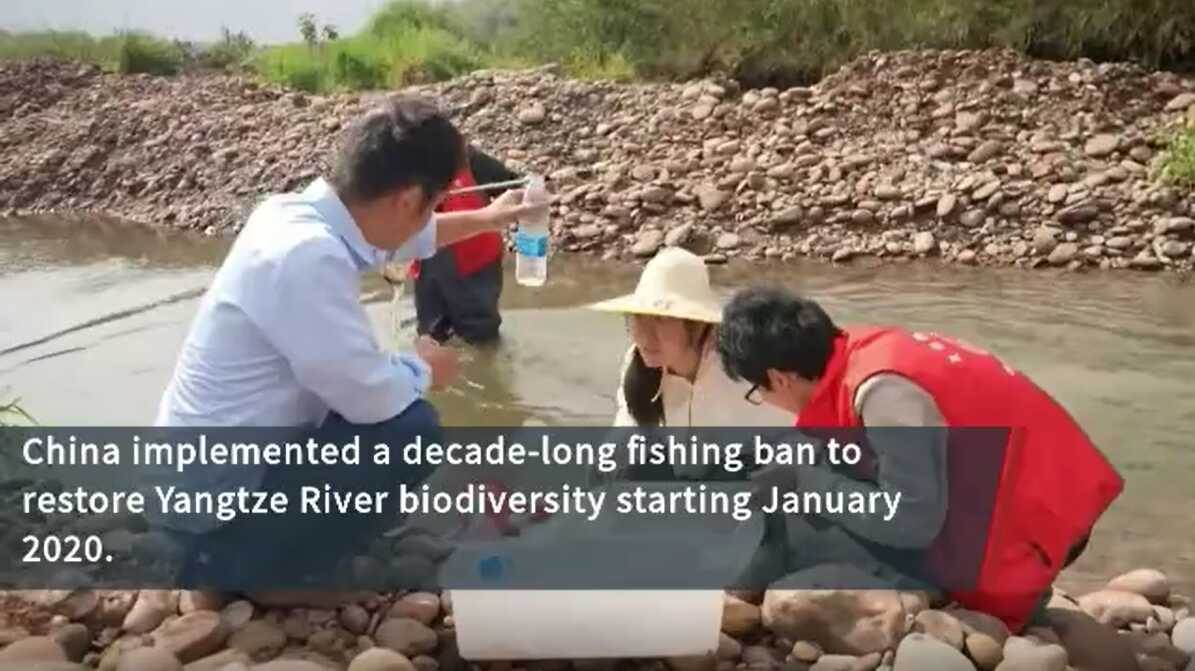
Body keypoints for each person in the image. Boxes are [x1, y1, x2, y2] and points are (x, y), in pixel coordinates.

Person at [151, 94, 545, 591]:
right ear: (407, 199)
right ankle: (258, 572)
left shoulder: (290, 216)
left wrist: (488, 219)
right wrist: (426, 368)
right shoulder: (307, 257)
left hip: (198, 490)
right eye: (434, 203)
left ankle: (297, 541)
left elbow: (401, 239)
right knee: (409, 431)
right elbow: (369, 397)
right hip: (209, 530)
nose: (431, 216)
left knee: (387, 420)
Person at [714, 285, 1125, 632]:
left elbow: (910, 522)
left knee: (785, 522)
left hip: (1024, 540)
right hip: (1038, 508)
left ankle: (723, 610)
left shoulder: (883, 394)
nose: (764, 400)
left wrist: (805, 483)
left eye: (758, 391)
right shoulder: (857, 349)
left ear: (779, 377)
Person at [586, 247, 793, 587]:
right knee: (617, 467)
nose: (644, 334)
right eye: (636, 319)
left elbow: (804, 438)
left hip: (749, 489)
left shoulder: (744, 369)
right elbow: (621, 440)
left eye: (661, 320)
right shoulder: (639, 365)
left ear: (697, 325)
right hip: (690, 484)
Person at [383, 141, 521, 345]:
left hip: (475, 262)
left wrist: (530, 195)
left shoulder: (471, 160)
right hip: (427, 262)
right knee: (429, 333)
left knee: (480, 333)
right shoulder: (402, 166)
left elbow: (514, 190)